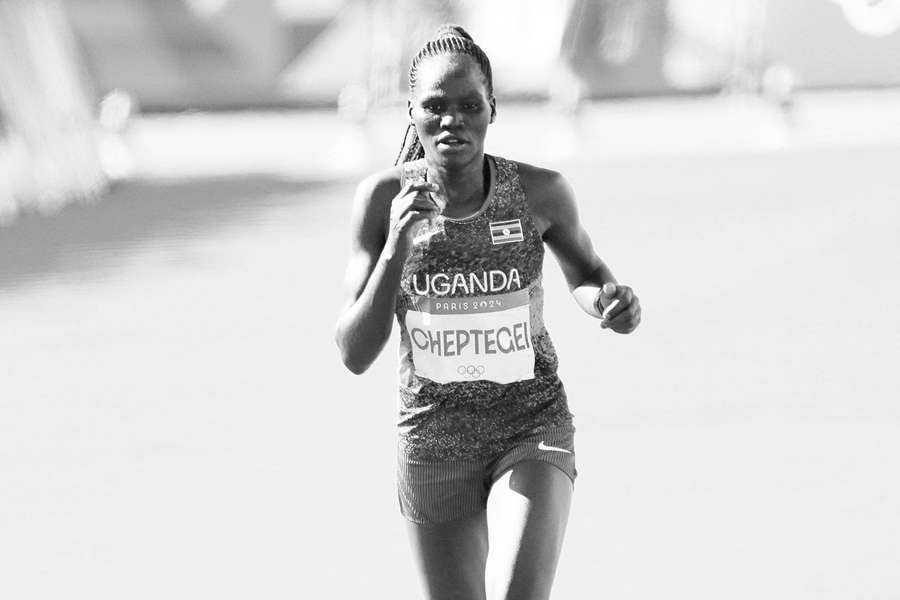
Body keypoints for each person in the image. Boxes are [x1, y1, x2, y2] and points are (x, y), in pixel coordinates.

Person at [334, 25, 641, 600]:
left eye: (469, 105)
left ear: (492, 109)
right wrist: (399, 246)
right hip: (432, 439)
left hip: (529, 423)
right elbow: (353, 352)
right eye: (435, 106)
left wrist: (608, 301)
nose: (453, 120)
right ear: (412, 113)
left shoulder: (539, 193)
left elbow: (587, 272)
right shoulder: (382, 200)